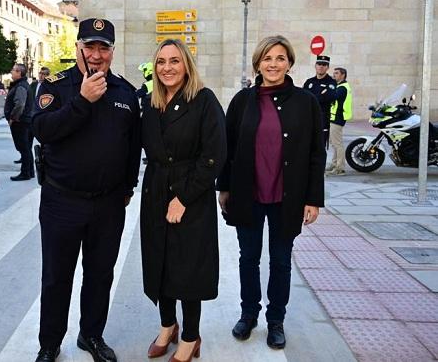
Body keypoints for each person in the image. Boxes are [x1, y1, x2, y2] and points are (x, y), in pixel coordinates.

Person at [32, 18, 141, 362]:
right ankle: (49, 344)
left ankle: (91, 335)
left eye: (103, 48)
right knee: (56, 277)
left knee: (99, 276)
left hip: (108, 205)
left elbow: (132, 146)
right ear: (78, 48)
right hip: (61, 200)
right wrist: (81, 100)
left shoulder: (124, 91)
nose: (96, 55)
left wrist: (127, 187)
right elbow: (42, 130)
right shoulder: (57, 86)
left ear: (112, 51)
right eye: (89, 46)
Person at [217, 35, 325, 350]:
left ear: (289, 62)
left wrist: (313, 198)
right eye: (267, 58)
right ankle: (248, 313)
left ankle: (276, 319)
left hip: (286, 197)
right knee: (248, 258)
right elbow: (228, 146)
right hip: (247, 194)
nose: (273, 64)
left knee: (280, 260)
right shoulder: (242, 101)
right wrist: (224, 186)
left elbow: (316, 153)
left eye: (279, 58)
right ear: (257, 64)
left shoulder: (306, 102)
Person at [140, 39, 226, 362]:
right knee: (160, 262)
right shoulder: (149, 103)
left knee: (188, 269)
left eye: (174, 61)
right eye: (161, 61)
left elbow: (214, 155)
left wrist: (183, 198)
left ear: (186, 64)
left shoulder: (203, 101)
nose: (167, 68)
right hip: (155, 191)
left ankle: (190, 336)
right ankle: (167, 326)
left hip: (192, 194)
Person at [5, 63, 33, 181]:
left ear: (19, 73)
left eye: (13, 70)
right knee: (25, 147)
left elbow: (20, 104)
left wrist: (13, 118)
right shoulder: (21, 85)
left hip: (21, 122)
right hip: (24, 121)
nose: (11, 72)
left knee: (23, 147)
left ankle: (25, 172)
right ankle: (29, 171)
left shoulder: (21, 86)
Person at [303, 55, 336, 148]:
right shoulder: (309, 82)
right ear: (315, 66)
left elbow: (328, 97)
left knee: (319, 148)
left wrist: (312, 98)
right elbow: (303, 99)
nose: (321, 66)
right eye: (319, 64)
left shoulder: (331, 83)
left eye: (324, 65)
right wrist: (319, 96)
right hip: (308, 120)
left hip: (322, 120)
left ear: (327, 67)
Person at [327, 67, 352, 175]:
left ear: (343, 75)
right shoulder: (340, 86)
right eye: (334, 73)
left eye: (336, 73)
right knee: (334, 142)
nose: (334, 75)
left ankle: (340, 167)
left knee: (337, 143)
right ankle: (334, 164)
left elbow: (332, 98)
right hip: (335, 117)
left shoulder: (342, 88)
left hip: (338, 117)